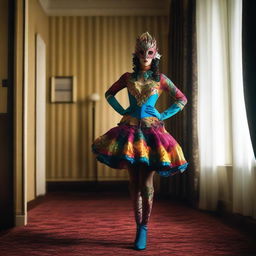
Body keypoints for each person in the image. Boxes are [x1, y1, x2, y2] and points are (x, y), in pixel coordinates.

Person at [91, 32, 189, 250]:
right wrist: (124, 111)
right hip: (129, 133)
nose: (146, 56)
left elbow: (182, 99)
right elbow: (109, 94)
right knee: (134, 183)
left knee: (145, 182)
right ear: (136, 54)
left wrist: (161, 115)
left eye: (150, 52)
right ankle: (138, 227)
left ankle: (144, 228)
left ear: (155, 55)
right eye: (142, 52)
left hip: (152, 134)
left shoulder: (161, 79)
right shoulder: (127, 77)